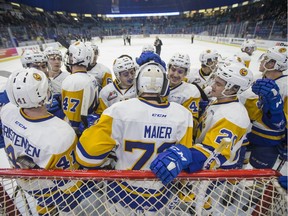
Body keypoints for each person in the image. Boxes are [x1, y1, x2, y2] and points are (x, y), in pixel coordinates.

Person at [75, 61, 193, 215]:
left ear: (138, 84)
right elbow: (184, 160)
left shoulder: (118, 110)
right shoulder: (183, 115)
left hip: (121, 192)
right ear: (164, 86)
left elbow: (86, 157)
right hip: (159, 195)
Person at [0, 68, 99, 215]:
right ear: (45, 93)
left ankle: (44, 209)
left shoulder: (7, 110)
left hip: (24, 180)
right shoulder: (61, 134)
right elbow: (71, 185)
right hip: (53, 193)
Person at [151, 63, 253, 187]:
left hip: (215, 168)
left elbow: (215, 152)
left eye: (218, 84)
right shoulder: (219, 100)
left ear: (233, 89)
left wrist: (185, 155)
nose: (212, 86)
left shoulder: (233, 116)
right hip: (204, 157)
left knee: (198, 197)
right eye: (215, 81)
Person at [240, 46, 287, 170]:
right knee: (241, 167)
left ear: (273, 64)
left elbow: (282, 121)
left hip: (268, 141)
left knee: (259, 176)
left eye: (266, 59)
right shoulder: (256, 78)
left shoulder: (286, 86)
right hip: (248, 133)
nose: (262, 61)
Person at [62, 41, 100, 135]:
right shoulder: (91, 78)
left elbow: (72, 118)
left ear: (75, 58)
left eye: (70, 55)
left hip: (75, 132)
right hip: (90, 128)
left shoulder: (72, 80)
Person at [167, 52, 201, 129]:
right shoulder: (159, 84)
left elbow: (192, 122)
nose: (175, 75)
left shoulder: (191, 91)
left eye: (180, 72)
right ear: (168, 69)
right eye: (173, 69)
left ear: (185, 73)